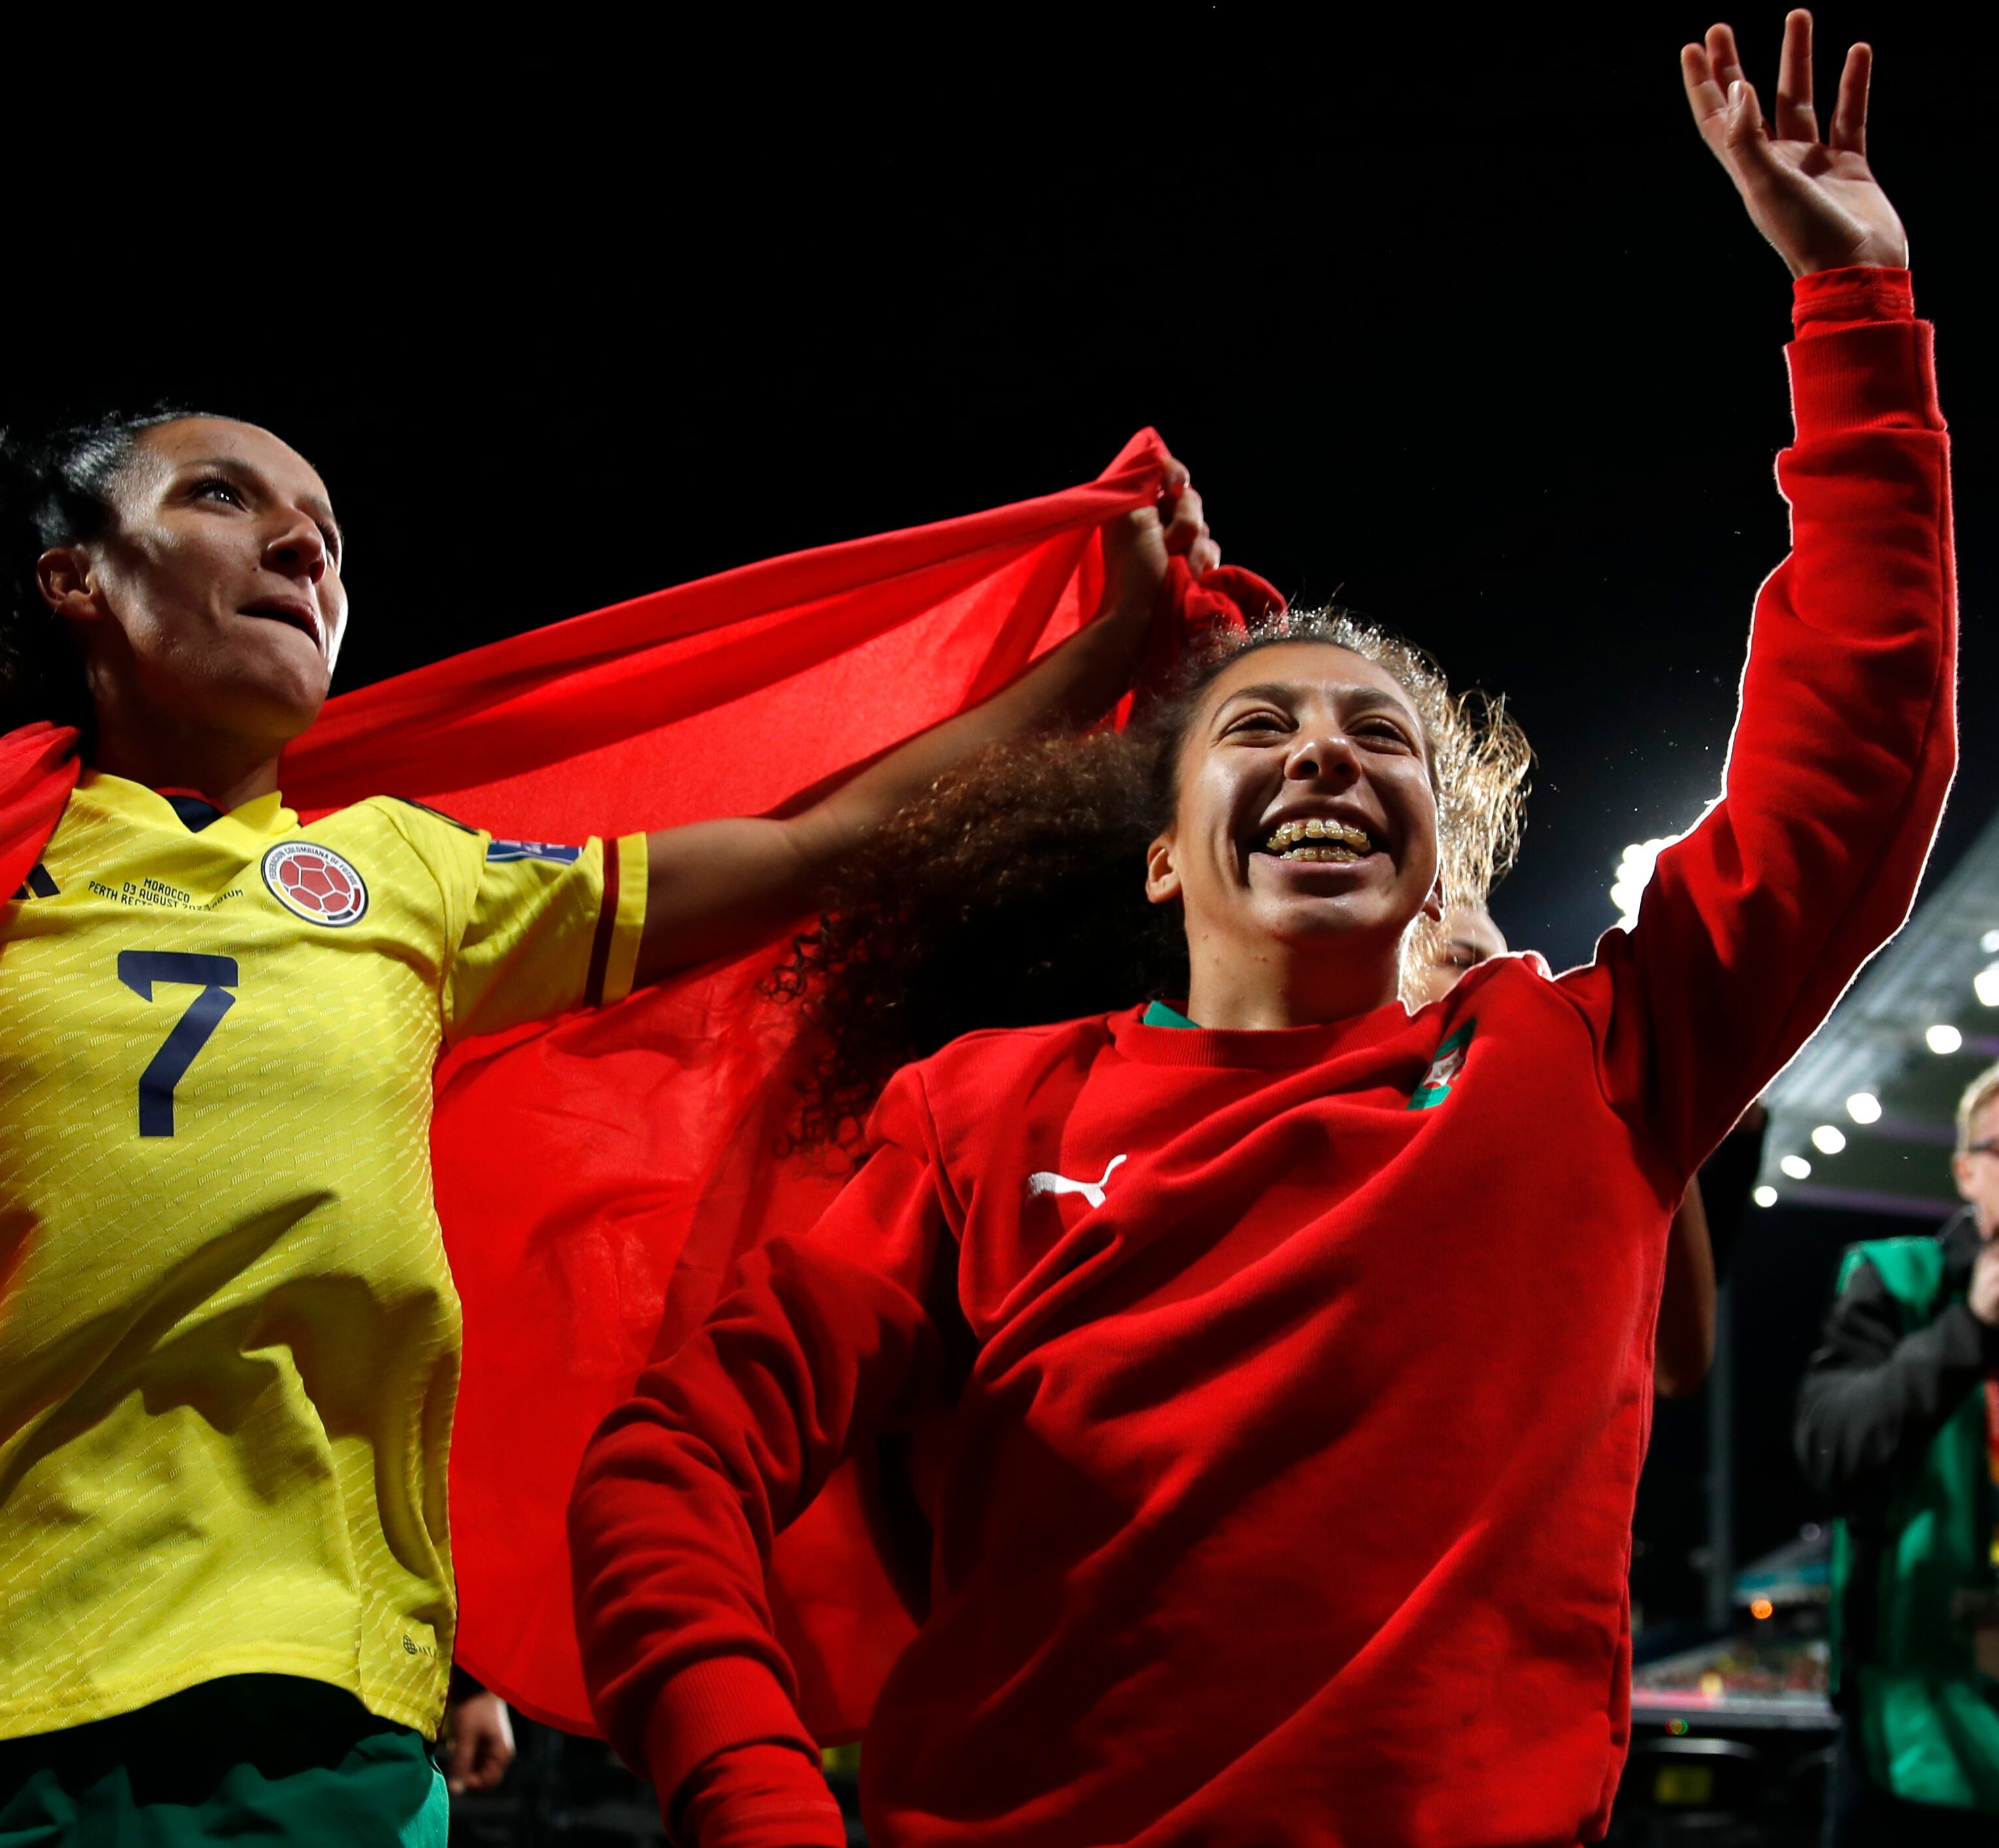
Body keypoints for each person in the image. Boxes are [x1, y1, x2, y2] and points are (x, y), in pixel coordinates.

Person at [0, 324, 1225, 1841]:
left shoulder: (411, 881)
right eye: (224, 497)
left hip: (308, 1715)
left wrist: (1096, 648)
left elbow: (823, 846)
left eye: (328, 533)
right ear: (75, 580)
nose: (301, 543)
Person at [564, 14, 1950, 1844]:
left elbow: (1853, 754)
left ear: (1436, 855)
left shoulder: (1581, 1065)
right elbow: (669, 1463)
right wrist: (752, 1795)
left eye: (1381, 735)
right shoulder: (981, 1120)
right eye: (1260, 726)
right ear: (1159, 860)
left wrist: (1855, 307)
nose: (1324, 752)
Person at [1418, 902, 1762, 1398]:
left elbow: (1676, 1360)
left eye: (1504, 967)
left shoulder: (1574, 1126)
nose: (1502, 985)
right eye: (1460, 961)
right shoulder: (1328, 1120)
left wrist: (1648, 1121)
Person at [1794, 1062, 1999, 1839]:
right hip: (1913, 1743)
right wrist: (1970, 1327)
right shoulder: (1897, 1279)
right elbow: (1830, 1447)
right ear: (1966, 1170)